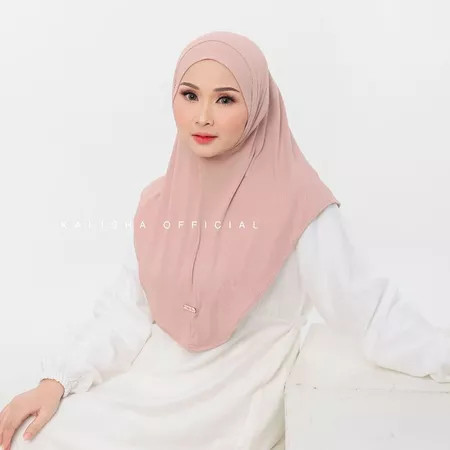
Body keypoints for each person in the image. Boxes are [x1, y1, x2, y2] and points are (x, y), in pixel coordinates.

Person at [1, 30, 449, 450]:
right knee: (34, 437)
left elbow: (368, 310)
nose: (203, 116)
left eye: (226, 99)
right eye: (190, 95)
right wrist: (57, 380)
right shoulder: (160, 201)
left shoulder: (300, 204)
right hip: (152, 379)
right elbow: (125, 310)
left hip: (236, 396)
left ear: (257, 106)